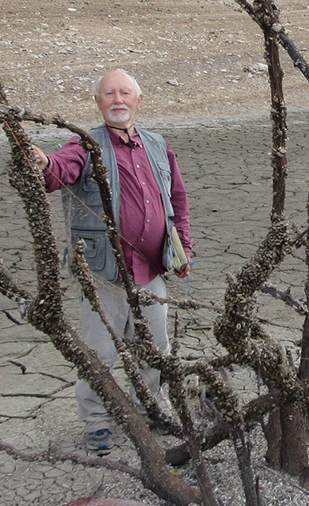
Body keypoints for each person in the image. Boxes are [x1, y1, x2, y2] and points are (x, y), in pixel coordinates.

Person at [31, 69, 193, 453]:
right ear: (98, 103)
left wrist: (183, 248)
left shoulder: (157, 145)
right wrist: (40, 164)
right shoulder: (84, 145)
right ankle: (97, 421)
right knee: (100, 352)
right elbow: (57, 172)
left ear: (139, 101)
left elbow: (178, 200)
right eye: (109, 94)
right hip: (104, 274)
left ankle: (152, 408)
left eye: (125, 93)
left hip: (152, 270)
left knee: (155, 349)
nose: (117, 100)